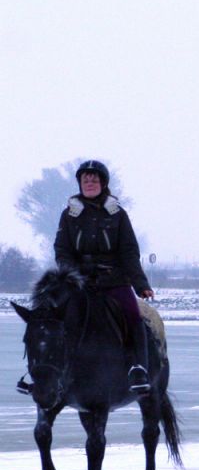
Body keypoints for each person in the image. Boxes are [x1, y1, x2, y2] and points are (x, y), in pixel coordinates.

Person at [53, 160, 154, 393]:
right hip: (79, 281)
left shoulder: (118, 214)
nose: (89, 183)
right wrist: (72, 274)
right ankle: (46, 371)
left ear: (103, 183)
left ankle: (140, 367)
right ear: (79, 183)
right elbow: (62, 250)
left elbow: (129, 252)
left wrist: (141, 284)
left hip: (113, 280)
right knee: (51, 315)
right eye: (85, 179)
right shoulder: (68, 215)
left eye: (94, 179)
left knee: (133, 316)